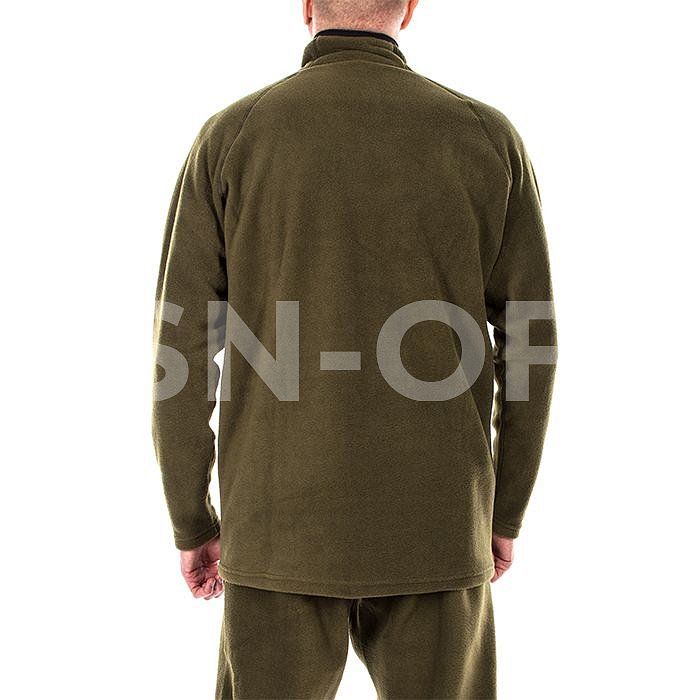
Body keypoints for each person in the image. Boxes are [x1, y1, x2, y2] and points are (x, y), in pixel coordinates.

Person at [152, 0, 557, 697]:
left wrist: (192, 519)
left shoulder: (234, 137)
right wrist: (503, 509)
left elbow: (181, 345)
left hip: (276, 524)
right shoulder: (484, 137)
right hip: (437, 523)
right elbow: (530, 340)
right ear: (411, 8)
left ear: (307, 6)